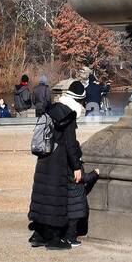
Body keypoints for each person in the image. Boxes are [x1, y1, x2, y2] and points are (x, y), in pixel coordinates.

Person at [28, 99, 84, 250]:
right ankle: (54, 239)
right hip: (58, 162)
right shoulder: (69, 117)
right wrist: (76, 166)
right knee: (56, 198)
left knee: (43, 196)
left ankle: (38, 235)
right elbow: (71, 144)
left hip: (44, 158)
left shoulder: (50, 111)